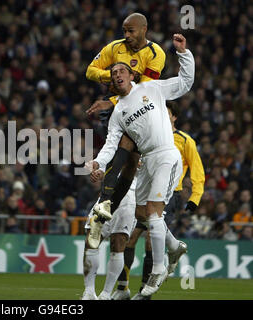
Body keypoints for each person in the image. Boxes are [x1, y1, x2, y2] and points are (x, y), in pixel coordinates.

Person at [87, 34, 194, 296]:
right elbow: (112, 145)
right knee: (143, 215)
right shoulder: (118, 113)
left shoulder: (151, 88)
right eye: (113, 73)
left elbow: (184, 83)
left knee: (155, 213)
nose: (116, 74)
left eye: (121, 70)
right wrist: (97, 162)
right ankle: (173, 246)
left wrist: (184, 54)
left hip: (166, 156)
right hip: (148, 162)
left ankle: (158, 268)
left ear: (132, 75)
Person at [85, 13, 166, 247]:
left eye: (131, 31)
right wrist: (109, 77)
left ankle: (105, 205)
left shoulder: (155, 54)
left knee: (129, 164)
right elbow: (90, 70)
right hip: (120, 109)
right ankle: (103, 206)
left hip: (143, 111)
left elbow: (144, 89)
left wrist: (110, 99)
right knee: (121, 151)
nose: (127, 35)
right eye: (124, 31)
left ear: (144, 30)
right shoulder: (114, 48)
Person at [113, 102, 205, 300]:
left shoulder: (184, 140)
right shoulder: (150, 136)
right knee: (130, 237)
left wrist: (195, 197)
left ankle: (146, 292)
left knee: (149, 240)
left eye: (168, 113)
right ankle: (123, 288)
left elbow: (198, 171)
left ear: (174, 117)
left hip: (170, 192)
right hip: (146, 188)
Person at [82, 159, 138, 300]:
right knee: (91, 240)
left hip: (130, 196)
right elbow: (111, 163)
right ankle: (89, 292)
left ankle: (106, 294)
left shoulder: (150, 144)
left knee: (117, 244)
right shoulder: (117, 141)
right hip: (108, 195)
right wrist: (100, 171)